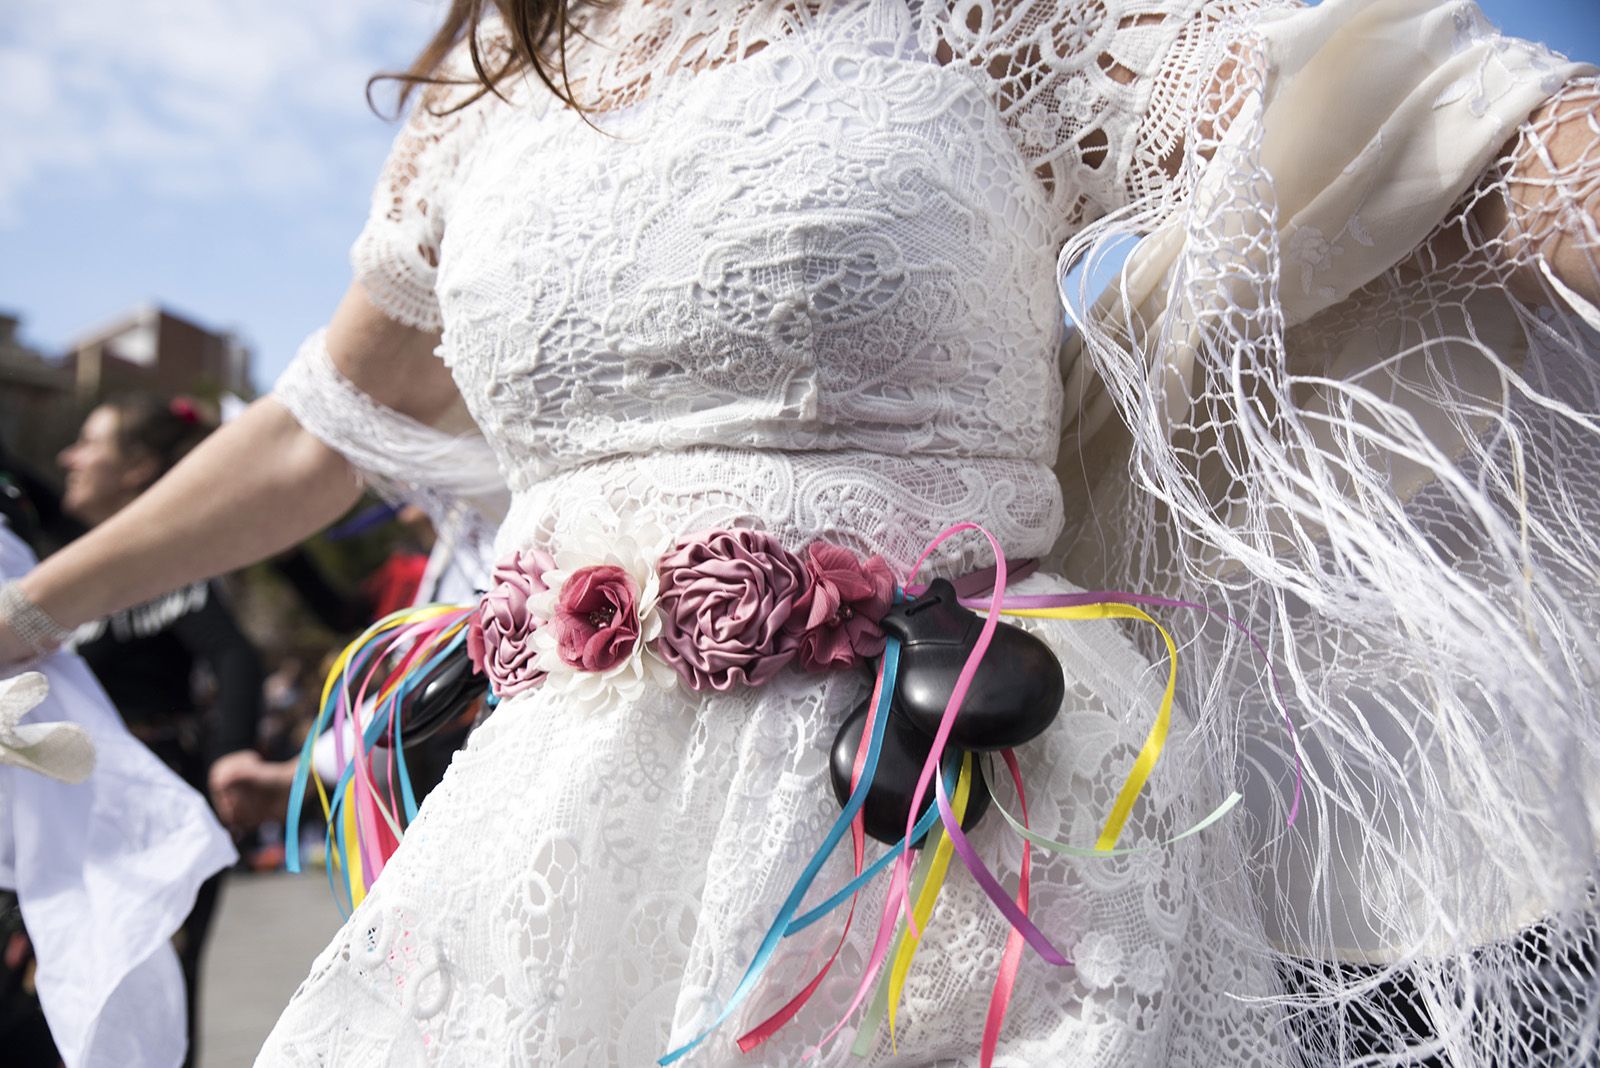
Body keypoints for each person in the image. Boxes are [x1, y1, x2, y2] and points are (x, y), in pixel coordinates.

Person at [1, 0, 1597, 1064]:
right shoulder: (501, 69)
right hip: (553, 841)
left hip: (954, 829)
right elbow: (307, 435)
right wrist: (31, 613)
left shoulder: (1000, 14)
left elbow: (1422, 145)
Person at [52, 396, 264, 1066]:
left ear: (138, 468)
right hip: (67, 811)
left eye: (89, 442)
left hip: (154, 805)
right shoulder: (60, 564)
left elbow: (236, 656)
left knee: (148, 1007)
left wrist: (229, 759)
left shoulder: (168, 562)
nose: (68, 457)